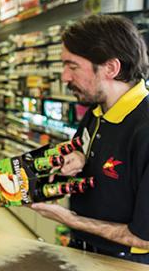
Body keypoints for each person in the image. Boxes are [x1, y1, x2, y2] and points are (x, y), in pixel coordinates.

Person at [31, 15, 149, 264]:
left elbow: (144, 238)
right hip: (81, 253)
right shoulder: (97, 113)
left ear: (111, 68)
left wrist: (69, 219)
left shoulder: (144, 128)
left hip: (124, 264)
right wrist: (75, 160)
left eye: (72, 66)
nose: (64, 77)